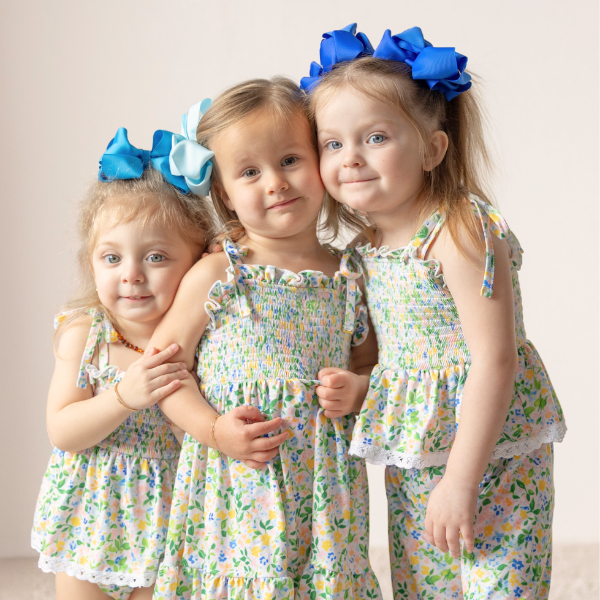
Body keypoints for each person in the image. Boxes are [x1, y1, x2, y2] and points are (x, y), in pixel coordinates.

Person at [305, 24, 566, 600]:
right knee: (424, 587)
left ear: (432, 148)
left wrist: (461, 481)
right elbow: (397, 358)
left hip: (492, 451)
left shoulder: (458, 230)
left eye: (375, 137)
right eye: (332, 144)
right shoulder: (365, 251)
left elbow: (495, 360)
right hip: (417, 450)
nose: (351, 158)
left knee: (501, 585)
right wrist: (363, 388)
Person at [149, 78, 381, 599]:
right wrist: (213, 429)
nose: (276, 182)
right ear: (225, 194)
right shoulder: (219, 274)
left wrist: (357, 389)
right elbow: (165, 372)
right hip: (238, 480)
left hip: (324, 488)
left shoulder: (349, 276)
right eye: (250, 172)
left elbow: (370, 364)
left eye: (290, 160)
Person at [31, 127, 213, 600]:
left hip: (166, 519)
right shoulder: (85, 334)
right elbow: (62, 430)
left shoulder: (200, 340)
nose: (131, 274)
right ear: (90, 263)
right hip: (87, 519)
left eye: (155, 257)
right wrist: (122, 397)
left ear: (197, 264)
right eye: (112, 257)